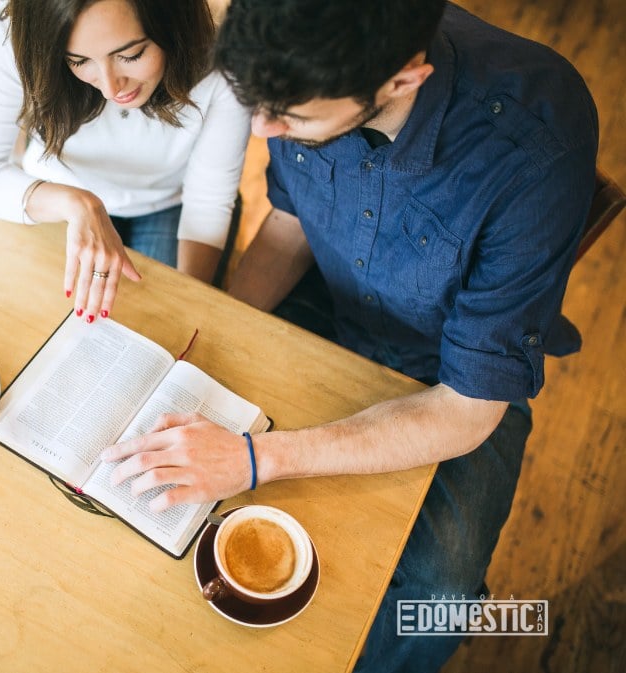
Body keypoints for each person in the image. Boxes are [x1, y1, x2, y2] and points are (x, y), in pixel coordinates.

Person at [100, 0, 598, 670]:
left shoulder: (534, 144)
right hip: (325, 305)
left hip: (448, 375)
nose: (259, 130)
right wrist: (216, 336)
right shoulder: (290, 62)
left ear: (401, 82)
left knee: (440, 590)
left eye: (292, 120)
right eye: (256, 105)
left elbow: (467, 409)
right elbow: (291, 223)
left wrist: (256, 458)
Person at [0, 0, 250, 322]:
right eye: (78, 60)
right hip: (52, 195)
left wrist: (186, 307)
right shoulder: (18, 26)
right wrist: (76, 204)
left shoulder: (227, 50)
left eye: (130, 55)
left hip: (169, 203)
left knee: (160, 324)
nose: (110, 86)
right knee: (22, 320)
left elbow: (208, 199)